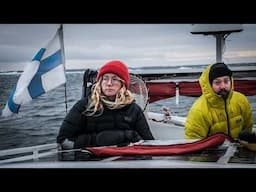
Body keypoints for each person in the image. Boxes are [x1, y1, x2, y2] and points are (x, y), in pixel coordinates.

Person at [57, 60, 154, 150]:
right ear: (100, 82)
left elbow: (149, 142)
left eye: (115, 79)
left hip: (126, 161)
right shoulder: (84, 106)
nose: (109, 83)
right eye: (105, 78)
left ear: (122, 84)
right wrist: (113, 138)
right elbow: (63, 140)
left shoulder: (133, 109)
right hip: (90, 161)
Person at [185, 62, 254, 139]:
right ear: (210, 85)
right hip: (211, 151)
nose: (222, 86)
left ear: (231, 81)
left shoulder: (241, 100)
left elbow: (248, 128)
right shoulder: (199, 110)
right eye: (217, 82)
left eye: (226, 81)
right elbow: (193, 143)